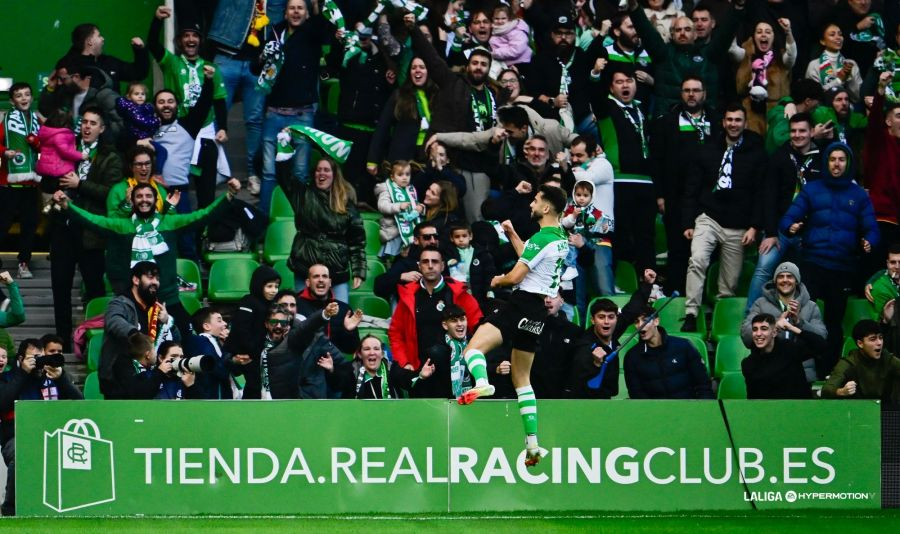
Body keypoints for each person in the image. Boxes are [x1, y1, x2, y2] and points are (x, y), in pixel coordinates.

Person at [458, 185, 569, 467]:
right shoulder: (559, 238)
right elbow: (530, 260)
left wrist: (499, 280)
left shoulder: (541, 237)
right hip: (538, 314)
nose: (531, 203)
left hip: (519, 304)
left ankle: (482, 383)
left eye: (535, 200)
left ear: (546, 208)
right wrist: (511, 234)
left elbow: (519, 274)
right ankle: (532, 443)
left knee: (472, 350)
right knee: (522, 380)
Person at [780, 141, 879, 376]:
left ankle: (829, 370)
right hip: (812, 263)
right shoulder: (811, 189)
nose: (836, 164)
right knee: (804, 318)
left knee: (834, 323)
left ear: (848, 163)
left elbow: (872, 228)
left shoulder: (858, 195)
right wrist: (790, 226)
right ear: (826, 162)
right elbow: (787, 218)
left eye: (841, 160)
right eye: (832, 159)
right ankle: (802, 369)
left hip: (842, 267)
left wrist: (870, 241)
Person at [42, 106, 122, 349]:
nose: (87, 127)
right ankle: (63, 342)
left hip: (91, 232)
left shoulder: (111, 156)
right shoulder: (66, 146)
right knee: (60, 288)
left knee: (95, 289)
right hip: (63, 228)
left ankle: (94, 339)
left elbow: (112, 193)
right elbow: (46, 174)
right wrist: (53, 188)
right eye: (84, 122)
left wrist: (81, 184)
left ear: (102, 128)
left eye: (93, 123)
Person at [682, 104, 766, 332]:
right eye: (729, 119)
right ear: (723, 122)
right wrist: (688, 222)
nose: (733, 124)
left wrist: (754, 226)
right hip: (709, 218)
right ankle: (690, 314)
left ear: (745, 123)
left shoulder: (756, 153)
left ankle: (719, 321)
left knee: (729, 283)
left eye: (738, 120)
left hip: (739, 225)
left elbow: (761, 192)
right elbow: (692, 187)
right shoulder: (708, 149)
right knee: (697, 260)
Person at [409, 20, 499, 222]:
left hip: (481, 165)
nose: (478, 67)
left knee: (476, 219)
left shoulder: (492, 95)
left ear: (489, 69)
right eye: (474, 63)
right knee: (449, 217)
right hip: (453, 161)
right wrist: (414, 30)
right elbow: (431, 59)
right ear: (468, 65)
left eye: (483, 65)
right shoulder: (452, 82)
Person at [254, 0, 337, 213]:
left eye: (301, 8)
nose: (296, 12)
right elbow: (256, 69)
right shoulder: (274, 31)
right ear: (285, 11)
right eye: (292, 8)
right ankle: (264, 225)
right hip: (273, 114)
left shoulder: (312, 33)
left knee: (300, 172)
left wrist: (317, 8)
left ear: (307, 13)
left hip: (302, 115)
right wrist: (264, 56)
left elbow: (323, 25)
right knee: (269, 173)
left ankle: (301, 224)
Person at [149, 6, 230, 211]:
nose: (191, 39)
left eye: (195, 36)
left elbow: (219, 100)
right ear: (179, 41)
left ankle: (205, 234)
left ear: (200, 41)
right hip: (179, 133)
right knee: (176, 186)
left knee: (206, 190)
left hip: (205, 133)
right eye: (186, 36)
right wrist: (157, 21)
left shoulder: (211, 68)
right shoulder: (172, 63)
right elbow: (152, 45)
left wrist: (223, 128)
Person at [649, 75, 719, 295]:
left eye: (696, 90)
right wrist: (660, 196)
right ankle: (676, 294)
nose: (691, 94)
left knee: (708, 250)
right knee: (678, 249)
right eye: (687, 90)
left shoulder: (717, 120)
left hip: (709, 198)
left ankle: (706, 298)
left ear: (704, 94)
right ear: (681, 94)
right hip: (675, 196)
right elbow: (657, 161)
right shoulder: (667, 121)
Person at [747, 112, 823, 307]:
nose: (797, 135)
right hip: (779, 229)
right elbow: (769, 197)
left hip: (809, 232)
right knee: (763, 268)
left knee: (809, 275)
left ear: (812, 132)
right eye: (793, 131)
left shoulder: (822, 159)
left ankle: (804, 322)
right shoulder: (779, 157)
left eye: (802, 131)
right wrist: (771, 233)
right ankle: (749, 318)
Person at [0, 338, 83, 516]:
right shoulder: (8, 378)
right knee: (20, 450)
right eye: (33, 358)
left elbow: (80, 403)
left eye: (41, 357)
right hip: (17, 437)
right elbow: (2, 404)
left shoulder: (53, 377)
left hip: (54, 436)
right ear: (21, 359)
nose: (38, 362)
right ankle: (11, 509)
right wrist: (22, 373)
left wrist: (62, 380)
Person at [592, 64, 657, 275]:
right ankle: (622, 281)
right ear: (611, 88)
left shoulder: (641, 107)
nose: (625, 85)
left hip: (646, 181)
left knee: (646, 236)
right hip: (620, 181)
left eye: (629, 81)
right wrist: (596, 74)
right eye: (619, 82)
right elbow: (594, 95)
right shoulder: (606, 108)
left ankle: (650, 284)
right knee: (621, 236)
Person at [628, 1, 741, 115]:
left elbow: (726, 32)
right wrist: (634, 8)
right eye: (678, 30)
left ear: (695, 34)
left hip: (703, 121)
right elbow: (646, 32)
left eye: (687, 29)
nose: (682, 33)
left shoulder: (709, 54)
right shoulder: (663, 54)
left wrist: (738, 7)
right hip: (669, 121)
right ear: (672, 35)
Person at [277, 156, 366, 300]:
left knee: (339, 315)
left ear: (335, 175)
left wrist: (358, 271)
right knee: (304, 317)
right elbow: (284, 177)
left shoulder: (347, 205)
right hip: (305, 268)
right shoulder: (303, 195)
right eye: (318, 170)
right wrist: (283, 151)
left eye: (326, 170)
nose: (321, 174)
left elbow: (357, 242)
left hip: (336, 271)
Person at [569, 269, 662, 399]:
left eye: (611, 317)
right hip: (588, 404)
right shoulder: (584, 347)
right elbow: (581, 387)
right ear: (592, 320)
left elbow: (631, 310)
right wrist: (596, 364)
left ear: (616, 319)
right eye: (601, 317)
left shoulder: (612, 329)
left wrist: (647, 284)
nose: (606, 322)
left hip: (607, 399)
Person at [388, 246, 482, 371]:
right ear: (419, 266)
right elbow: (396, 333)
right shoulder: (408, 295)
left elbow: (478, 328)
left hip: (454, 368)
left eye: (435, 261)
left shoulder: (458, 293)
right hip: (419, 368)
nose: (430, 266)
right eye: (425, 262)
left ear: (442, 266)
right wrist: (404, 363)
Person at [99, 262, 178, 399]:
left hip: (150, 379)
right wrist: (134, 335)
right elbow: (113, 320)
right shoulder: (120, 303)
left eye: (157, 279)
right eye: (150, 277)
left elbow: (176, 340)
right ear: (136, 280)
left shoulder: (157, 309)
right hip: (120, 382)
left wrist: (168, 322)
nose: (155, 282)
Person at [558, 135, 616, 314]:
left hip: (599, 235)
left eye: (580, 156)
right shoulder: (574, 170)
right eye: (572, 155)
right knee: (578, 296)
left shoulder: (603, 165)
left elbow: (585, 180)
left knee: (604, 291)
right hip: (577, 238)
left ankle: (614, 338)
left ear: (593, 153)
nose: (575, 160)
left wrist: (566, 167)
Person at [742, 261, 827, 379]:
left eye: (789, 276)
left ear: (796, 281)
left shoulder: (811, 306)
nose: (785, 280)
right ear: (775, 281)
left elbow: (821, 338)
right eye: (780, 276)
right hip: (769, 373)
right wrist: (774, 324)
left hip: (803, 373)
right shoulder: (760, 304)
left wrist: (799, 322)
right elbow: (746, 336)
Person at [623, 306, 714, 399]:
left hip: (688, 408)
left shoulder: (684, 346)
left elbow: (703, 384)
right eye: (636, 322)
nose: (640, 325)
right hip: (655, 411)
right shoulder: (632, 357)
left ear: (656, 321)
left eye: (645, 320)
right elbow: (637, 395)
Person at [0, 82, 42, 279]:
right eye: (19, 95)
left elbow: (45, 145)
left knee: (30, 225)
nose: (24, 98)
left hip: (32, 184)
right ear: (12, 101)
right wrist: (4, 152)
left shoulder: (37, 120)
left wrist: (38, 143)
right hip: (9, 184)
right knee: (3, 224)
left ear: (32, 98)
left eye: (27, 94)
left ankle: (24, 263)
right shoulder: (6, 121)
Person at [367, 57, 439, 167]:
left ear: (429, 71)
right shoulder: (399, 95)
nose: (417, 70)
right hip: (402, 157)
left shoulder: (437, 95)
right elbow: (382, 127)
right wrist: (372, 159)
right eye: (413, 68)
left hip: (428, 154)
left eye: (422, 67)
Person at [223, 264, 282, 399]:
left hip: (258, 358)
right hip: (242, 357)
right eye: (269, 286)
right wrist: (255, 352)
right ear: (259, 285)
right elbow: (241, 330)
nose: (273, 290)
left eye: (276, 286)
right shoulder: (248, 302)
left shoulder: (271, 306)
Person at [730, 18, 796, 134]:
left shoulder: (781, 57)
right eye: (759, 32)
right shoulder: (745, 54)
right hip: (751, 112)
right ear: (754, 36)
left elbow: (791, 56)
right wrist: (733, 22)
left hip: (776, 112)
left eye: (768, 32)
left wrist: (788, 32)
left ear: (774, 36)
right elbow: (732, 49)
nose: (763, 35)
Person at [863, 73, 900, 266]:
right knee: (876, 269)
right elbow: (875, 120)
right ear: (888, 122)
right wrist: (880, 90)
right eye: (899, 116)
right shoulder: (880, 140)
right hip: (882, 218)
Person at [742, 313, 819, 399]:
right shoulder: (748, 364)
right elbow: (752, 397)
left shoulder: (789, 349)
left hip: (798, 408)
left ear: (774, 333)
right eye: (755, 329)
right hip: (768, 410)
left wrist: (792, 327)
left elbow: (820, 346)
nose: (758, 333)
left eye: (764, 329)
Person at [822, 319, 900, 402]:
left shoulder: (887, 358)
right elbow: (826, 390)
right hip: (857, 410)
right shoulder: (849, 363)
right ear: (860, 343)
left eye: (880, 338)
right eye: (873, 339)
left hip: (883, 409)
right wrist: (841, 391)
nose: (879, 343)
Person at [339, 334, 435, 399]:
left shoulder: (391, 368)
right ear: (360, 354)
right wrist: (331, 370)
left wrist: (421, 376)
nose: (372, 353)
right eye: (367, 349)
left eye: (376, 349)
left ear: (382, 354)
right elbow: (338, 384)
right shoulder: (351, 370)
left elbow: (407, 378)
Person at [63, 21, 149, 92]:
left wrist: (140, 51)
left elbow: (139, 73)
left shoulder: (110, 62)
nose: (103, 39)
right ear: (90, 41)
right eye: (99, 35)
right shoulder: (71, 67)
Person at [374, 221, 440, 303]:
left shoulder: (444, 260)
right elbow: (379, 286)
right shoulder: (406, 262)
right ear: (416, 240)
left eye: (436, 237)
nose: (433, 241)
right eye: (427, 237)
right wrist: (401, 277)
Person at [184, 308, 241, 400]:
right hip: (208, 400)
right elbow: (220, 371)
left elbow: (237, 371)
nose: (225, 324)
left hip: (221, 398)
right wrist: (229, 345)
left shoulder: (217, 342)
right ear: (207, 326)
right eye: (219, 320)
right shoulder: (200, 341)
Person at [376, 160, 425, 259]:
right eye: (400, 174)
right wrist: (398, 206)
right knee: (394, 260)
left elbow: (414, 204)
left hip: (409, 232)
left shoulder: (410, 189)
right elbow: (382, 206)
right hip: (394, 233)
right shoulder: (386, 188)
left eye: (407, 174)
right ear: (392, 177)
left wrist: (421, 208)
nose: (404, 177)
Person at [805, 23, 862, 103]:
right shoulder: (814, 65)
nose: (838, 37)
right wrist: (839, 80)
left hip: (848, 110)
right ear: (822, 41)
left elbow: (857, 97)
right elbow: (814, 97)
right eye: (832, 35)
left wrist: (849, 78)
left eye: (840, 34)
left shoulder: (850, 64)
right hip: (822, 111)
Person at [444, 222, 497, 307]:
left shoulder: (481, 253)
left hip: (479, 292)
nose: (461, 239)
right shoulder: (449, 254)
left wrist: (489, 289)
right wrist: (449, 263)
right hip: (459, 292)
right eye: (457, 237)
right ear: (451, 238)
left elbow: (489, 273)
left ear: (470, 236)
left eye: (464, 236)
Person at [870, 244, 900, 317]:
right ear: (887, 264)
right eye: (893, 262)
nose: (897, 267)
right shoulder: (880, 288)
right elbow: (892, 322)